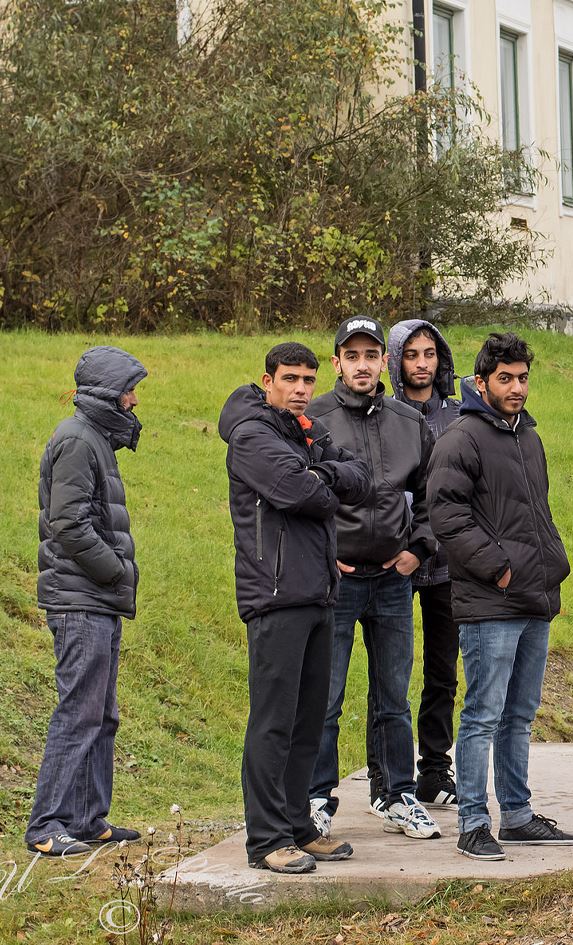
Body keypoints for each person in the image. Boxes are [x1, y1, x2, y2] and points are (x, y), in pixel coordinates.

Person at [220, 342, 372, 873]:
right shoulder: (252, 435)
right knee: (274, 722)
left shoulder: (306, 430)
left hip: (318, 591)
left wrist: (318, 474)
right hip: (275, 595)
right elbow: (299, 493)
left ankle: (298, 826)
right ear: (268, 381)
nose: (301, 389)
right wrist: (324, 478)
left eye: (308, 380)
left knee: (310, 721)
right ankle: (266, 839)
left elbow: (361, 478)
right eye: (290, 379)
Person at [428, 332, 573, 861]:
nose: (517, 388)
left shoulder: (528, 436)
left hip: (535, 596)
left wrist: (550, 570)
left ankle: (516, 816)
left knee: (519, 715)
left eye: (523, 378)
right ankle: (473, 824)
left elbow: (537, 513)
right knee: (482, 715)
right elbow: (446, 517)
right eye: (505, 379)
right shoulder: (460, 439)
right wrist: (499, 570)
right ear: (480, 382)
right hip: (491, 602)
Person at [304, 316, 438, 841]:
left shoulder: (410, 421)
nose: (362, 365)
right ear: (337, 362)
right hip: (335, 582)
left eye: (371, 355)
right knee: (326, 696)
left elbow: (432, 497)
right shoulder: (313, 418)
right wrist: (323, 553)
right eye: (352, 356)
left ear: (386, 361)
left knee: (393, 697)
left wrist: (417, 550)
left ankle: (398, 795)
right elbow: (296, 491)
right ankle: (316, 797)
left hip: (392, 581)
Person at [26, 347, 148, 858]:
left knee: (101, 714)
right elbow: (68, 524)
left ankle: (86, 819)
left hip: (96, 599)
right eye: (128, 390)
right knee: (79, 712)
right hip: (81, 600)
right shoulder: (77, 440)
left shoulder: (94, 438)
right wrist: (116, 571)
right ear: (106, 393)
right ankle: (46, 826)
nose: (134, 400)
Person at [380, 318, 463, 808]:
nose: (422, 364)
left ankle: (434, 769)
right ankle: (384, 776)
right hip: (392, 560)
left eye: (429, 354)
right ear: (395, 361)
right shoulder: (384, 414)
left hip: (447, 563)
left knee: (442, 672)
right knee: (389, 675)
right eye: (411, 355)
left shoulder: (458, 415)